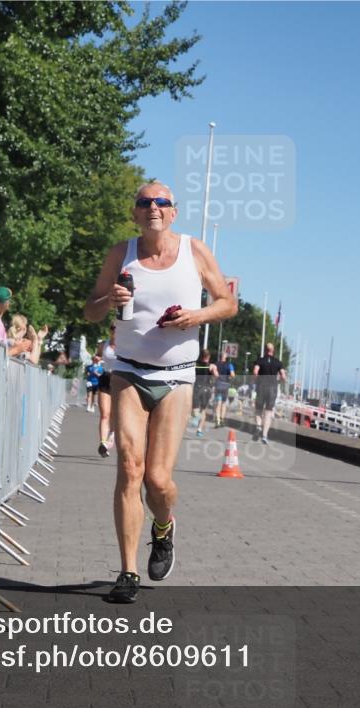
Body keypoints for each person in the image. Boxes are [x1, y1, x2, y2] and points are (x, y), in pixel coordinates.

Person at [84, 181, 237, 603]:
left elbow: (227, 303)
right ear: (135, 213)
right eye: (144, 202)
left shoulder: (194, 250)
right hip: (129, 372)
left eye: (161, 202)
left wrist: (196, 316)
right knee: (130, 470)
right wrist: (108, 302)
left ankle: (164, 527)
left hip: (177, 375)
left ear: (173, 212)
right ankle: (128, 572)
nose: (153, 207)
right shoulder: (121, 254)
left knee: (157, 480)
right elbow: (90, 308)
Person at [252, 342, 287, 445]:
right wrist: (280, 381)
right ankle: (264, 435)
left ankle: (258, 426)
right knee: (268, 411)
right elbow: (283, 376)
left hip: (261, 386)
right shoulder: (278, 362)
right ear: (273, 350)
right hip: (272, 388)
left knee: (258, 409)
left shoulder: (260, 360)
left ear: (265, 350)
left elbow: (255, 371)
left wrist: (256, 380)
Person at [95, 324, 118, 456]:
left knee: (115, 415)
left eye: (117, 328)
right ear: (110, 331)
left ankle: (112, 435)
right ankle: (103, 443)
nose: (115, 331)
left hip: (120, 380)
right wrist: (97, 358)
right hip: (105, 377)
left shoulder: (126, 346)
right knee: (105, 413)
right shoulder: (103, 345)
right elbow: (97, 355)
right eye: (112, 328)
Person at [191, 349, 218, 438]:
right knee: (203, 410)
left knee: (195, 409)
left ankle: (196, 419)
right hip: (207, 389)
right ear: (209, 357)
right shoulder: (211, 366)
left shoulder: (195, 365)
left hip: (198, 388)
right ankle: (199, 429)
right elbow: (216, 375)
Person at [213, 354, 235, 427]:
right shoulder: (229, 365)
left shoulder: (216, 364)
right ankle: (222, 419)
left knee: (218, 403)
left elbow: (215, 374)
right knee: (223, 403)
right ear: (226, 358)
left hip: (218, 385)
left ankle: (218, 421)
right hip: (226, 385)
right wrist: (229, 378)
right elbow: (232, 374)